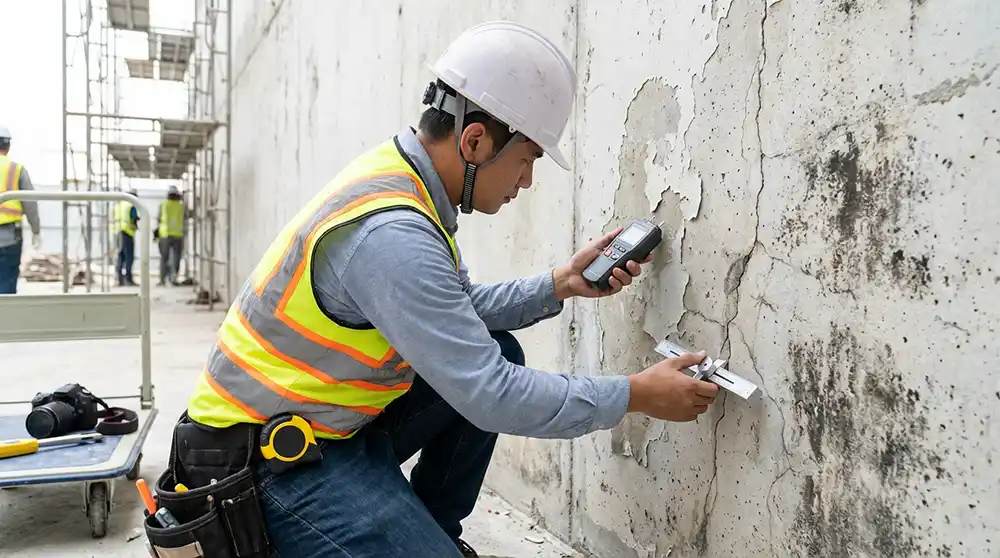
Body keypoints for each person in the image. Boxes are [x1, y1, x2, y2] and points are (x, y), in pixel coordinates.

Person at [173, 21, 719, 558]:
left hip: (325, 425)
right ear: (476, 140)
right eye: (527, 159)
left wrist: (560, 285)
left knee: (500, 347)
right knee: (492, 372)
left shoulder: (404, 183)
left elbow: (450, 312)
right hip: (262, 467)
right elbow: (493, 394)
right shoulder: (393, 234)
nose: (527, 181)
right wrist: (635, 394)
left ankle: (431, 531)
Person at [0, 125, 42, 295]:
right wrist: (36, 231)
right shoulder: (16, 169)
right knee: (6, 284)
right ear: (8, 146)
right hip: (10, 237)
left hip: (11, 236)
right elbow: (30, 203)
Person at [156, 184, 185, 285]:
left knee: (164, 258)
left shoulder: (163, 204)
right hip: (178, 234)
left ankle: (162, 279)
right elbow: (187, 216)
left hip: (165, 234)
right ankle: (173, 278)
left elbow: (158, 219)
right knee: (176, 257)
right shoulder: (181, 206)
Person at [113, 189, 139, 286]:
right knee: (129, 257)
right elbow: (134, 218)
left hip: (117, 232)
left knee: (120, 256)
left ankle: (119, 279)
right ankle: (128, 279)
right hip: (127, 233)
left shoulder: (118, 205)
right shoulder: (131, 205)